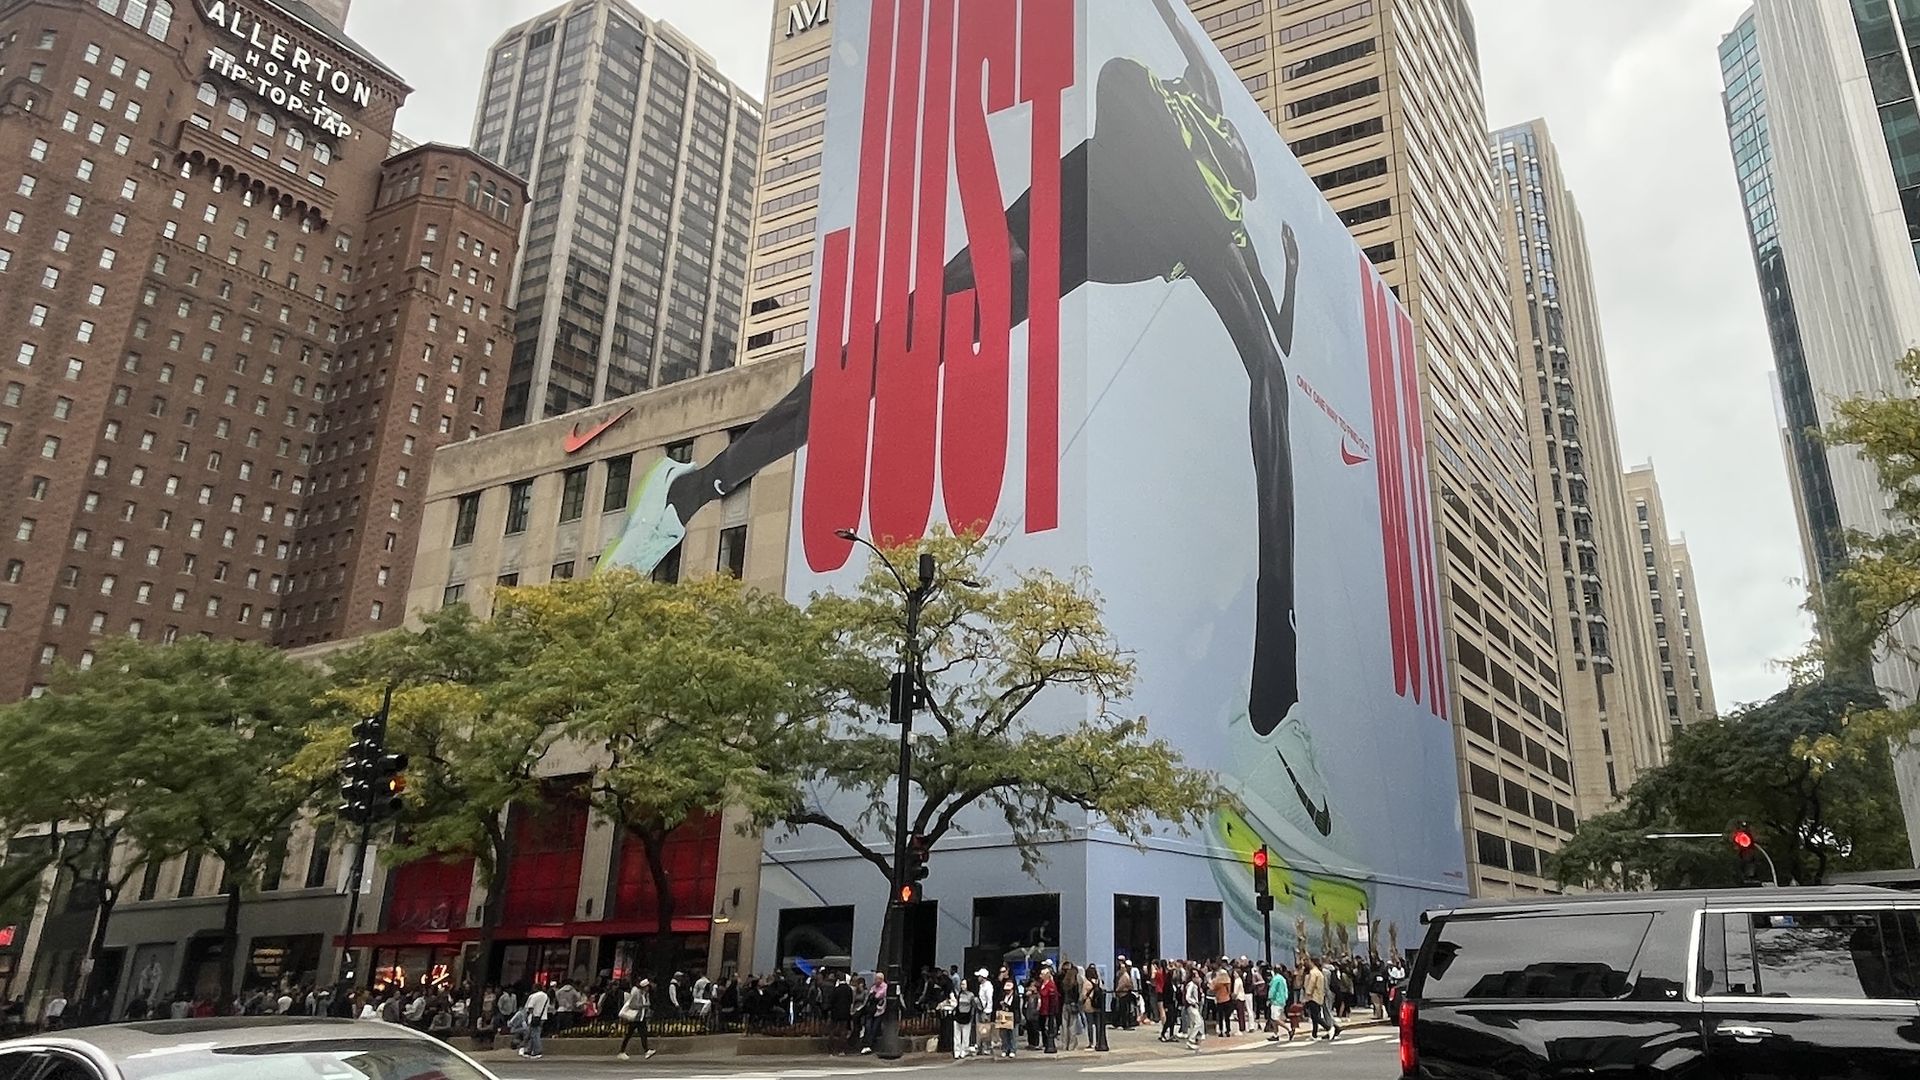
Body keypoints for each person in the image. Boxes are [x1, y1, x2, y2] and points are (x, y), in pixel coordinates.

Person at [617, 978, 656, 1061]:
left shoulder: (645, 994)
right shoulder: (636, 993)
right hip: (635, 1017)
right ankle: (622, 1051)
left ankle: (646, 1050)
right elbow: (632, 1005)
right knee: (630, 1034)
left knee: (642, 1034)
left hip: (641, 1017)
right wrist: (643, 1005)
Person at [519, 983, 551, 1059]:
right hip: (543, 1017)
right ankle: (530, 1049)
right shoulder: (546, 996)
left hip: (534, 1017)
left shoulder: (533, 996)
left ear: (535, 988)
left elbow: (530, 1007)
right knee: (536, 1033)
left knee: (534, 1035)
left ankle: (537, 1051)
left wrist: (528, 1016)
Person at [949, 973, 977, 1059]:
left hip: (967, 1017)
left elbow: (973, 1006)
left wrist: (972, 1016)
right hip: (958, 1016)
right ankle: (956, 1051)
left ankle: (964, 1050)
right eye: (961, 984)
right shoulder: (959, 994)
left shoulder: (971, 995)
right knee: (956, 1036)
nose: (962, 986)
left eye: (964, 984)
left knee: (965, 1036)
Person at [1084, 964, 1110, 1052]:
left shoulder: (1086, 982)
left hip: (1089, 1005)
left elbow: (1083, 995)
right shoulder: (1099, 981)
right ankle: (1099, 1040)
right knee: (1098, 1024)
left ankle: (1091, 1042)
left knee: (1090, 1024)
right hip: (1098, 1005)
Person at [1058, 962, 1083, 1052]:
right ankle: (1071, 1045)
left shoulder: (1064, 982)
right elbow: (1077, 995)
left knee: (1064, 1025)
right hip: (1072, 1004)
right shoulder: (1075, 983)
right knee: (1072, 1026)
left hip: (1065, 1004)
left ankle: (1065, 1044)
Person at [1038, 965, 1061, 1054]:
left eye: (1042, 974)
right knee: (1043, 1026)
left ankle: (1048, 1043)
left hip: (1048, 1009)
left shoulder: (1051, 984)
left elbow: (1047, 994)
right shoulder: (1043, 984)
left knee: (1048, 1026)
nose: (1040, 976)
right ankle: (1045, 1043)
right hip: (1043, 1008)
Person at [1182, 970, 1205, 1052]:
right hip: (1192, 1006)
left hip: (1194, 1006)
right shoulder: (1191, 985)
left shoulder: (1195, 985)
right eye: (1197, 976)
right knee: (1198, 1022)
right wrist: (1193, 1002)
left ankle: (1192, 1039)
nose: (1198, 978)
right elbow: (1187, 996)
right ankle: (1191, 1039)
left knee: (1193, 1023)